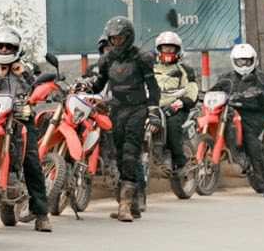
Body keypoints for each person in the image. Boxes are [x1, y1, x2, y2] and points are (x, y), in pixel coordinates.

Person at [77, 17, 158, 221]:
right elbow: (99, 84)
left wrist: (154, 111)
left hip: (137, 110)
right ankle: (132, 205)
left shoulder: (142, 58)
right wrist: (85, 86)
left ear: (128, 37)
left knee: (131, 154)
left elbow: (153, 87)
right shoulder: (107, 60)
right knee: (120, 155)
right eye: (112, 39)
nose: (115, 42)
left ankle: (125, 205)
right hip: (116, 110)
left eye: (119, 38)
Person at [0, 27, 52, 232]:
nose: (4, 50)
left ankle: (41, 213)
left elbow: (36, 88)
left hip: (21, 118)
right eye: (0, 46)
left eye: (9, 47)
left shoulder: (26, 68)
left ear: (17, 48)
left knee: (31, 160)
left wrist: (22, 74)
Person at [209, 41, 264, 197]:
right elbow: (215, 90)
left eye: (247, 60)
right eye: (240, 61)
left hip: (253, 115)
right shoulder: (227, 78)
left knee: (253, 145)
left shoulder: (259, 76)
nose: (244, 64)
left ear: (253, 60)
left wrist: (252, 94)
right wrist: (204, 95)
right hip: (230, 113)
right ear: (234, 61)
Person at [153, 31, 201, 187]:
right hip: (153, 107)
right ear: (158, 50)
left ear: (178, 51)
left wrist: (178, 104)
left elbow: (192, 90)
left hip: (176, 108)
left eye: (171, 49)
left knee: (172, 126)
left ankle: (181, 163)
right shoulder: (151, 67)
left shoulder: (184, 70)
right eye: (164, 48)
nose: (167, 52)